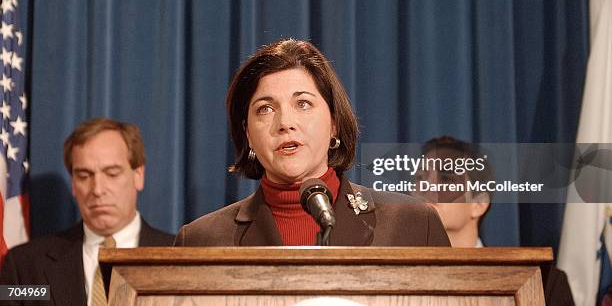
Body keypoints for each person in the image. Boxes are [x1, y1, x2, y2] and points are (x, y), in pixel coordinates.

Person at [175, 38, 450, 247]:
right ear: (248, 134)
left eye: (303, 103)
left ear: (334, 123)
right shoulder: (200, 240)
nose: (285, 122)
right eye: (265, 108)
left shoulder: (414, 225)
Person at [0, 118, 174, 306]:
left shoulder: (180, 257)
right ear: (74, 184)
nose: (97, 189)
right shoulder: (25, 266)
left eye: (112, 173)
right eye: (84, 176)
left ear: (138, 176)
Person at [416, 135, 575, 306]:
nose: (427, 187)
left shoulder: (545, 283)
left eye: (446, 179)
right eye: (420, 178)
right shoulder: (389, 275)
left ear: (478, 204)